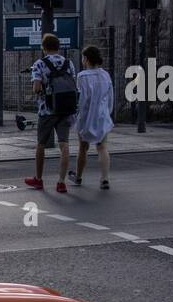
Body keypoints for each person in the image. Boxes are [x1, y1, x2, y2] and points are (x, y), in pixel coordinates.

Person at [24, 33, 78, 193]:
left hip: (47, 110)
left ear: (44, 47)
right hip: (66, 108)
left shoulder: (39, 64)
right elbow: (72, 83)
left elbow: (37, 88)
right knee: (64, 144)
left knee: (41, 144)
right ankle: (61, 182)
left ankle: (39, 179)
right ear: (58, 46)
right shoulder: (69, 63)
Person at [69, 44, 114, 190]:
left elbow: (81, 99)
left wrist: (76, 115)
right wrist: (108, 112)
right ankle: (104, 179)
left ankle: (79, 176)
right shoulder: (105, 75)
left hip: (86, 117)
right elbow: (110, 97)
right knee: (102, 147)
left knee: (83, 147)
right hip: (102, 116)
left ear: (86, 59)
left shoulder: (82, 76)